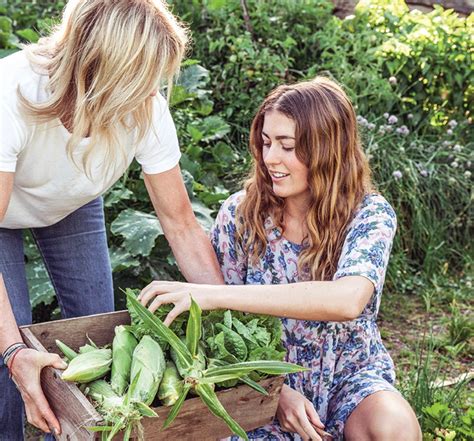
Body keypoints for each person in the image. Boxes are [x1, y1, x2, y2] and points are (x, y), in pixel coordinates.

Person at [138, 77, 423, 441]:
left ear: (327, 150)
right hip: (258, 384)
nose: (271, 158)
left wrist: (210, 295)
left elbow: (348, 299)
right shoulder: (242, 214)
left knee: (394, 427)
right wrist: (273, 388)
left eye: (287, 146)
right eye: (267, 142)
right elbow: (223, 332)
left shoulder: (368, 215)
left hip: (346, 376)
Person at [0, 1, 223, 439]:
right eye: (144, 79)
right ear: (105, 71)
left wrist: (223, 313)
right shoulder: (12, 94)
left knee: (100, 329)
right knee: (9, 346)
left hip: (73, 200)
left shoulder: (147, 109)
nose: (154, 93)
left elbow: (180, 224)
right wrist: (11, 351)